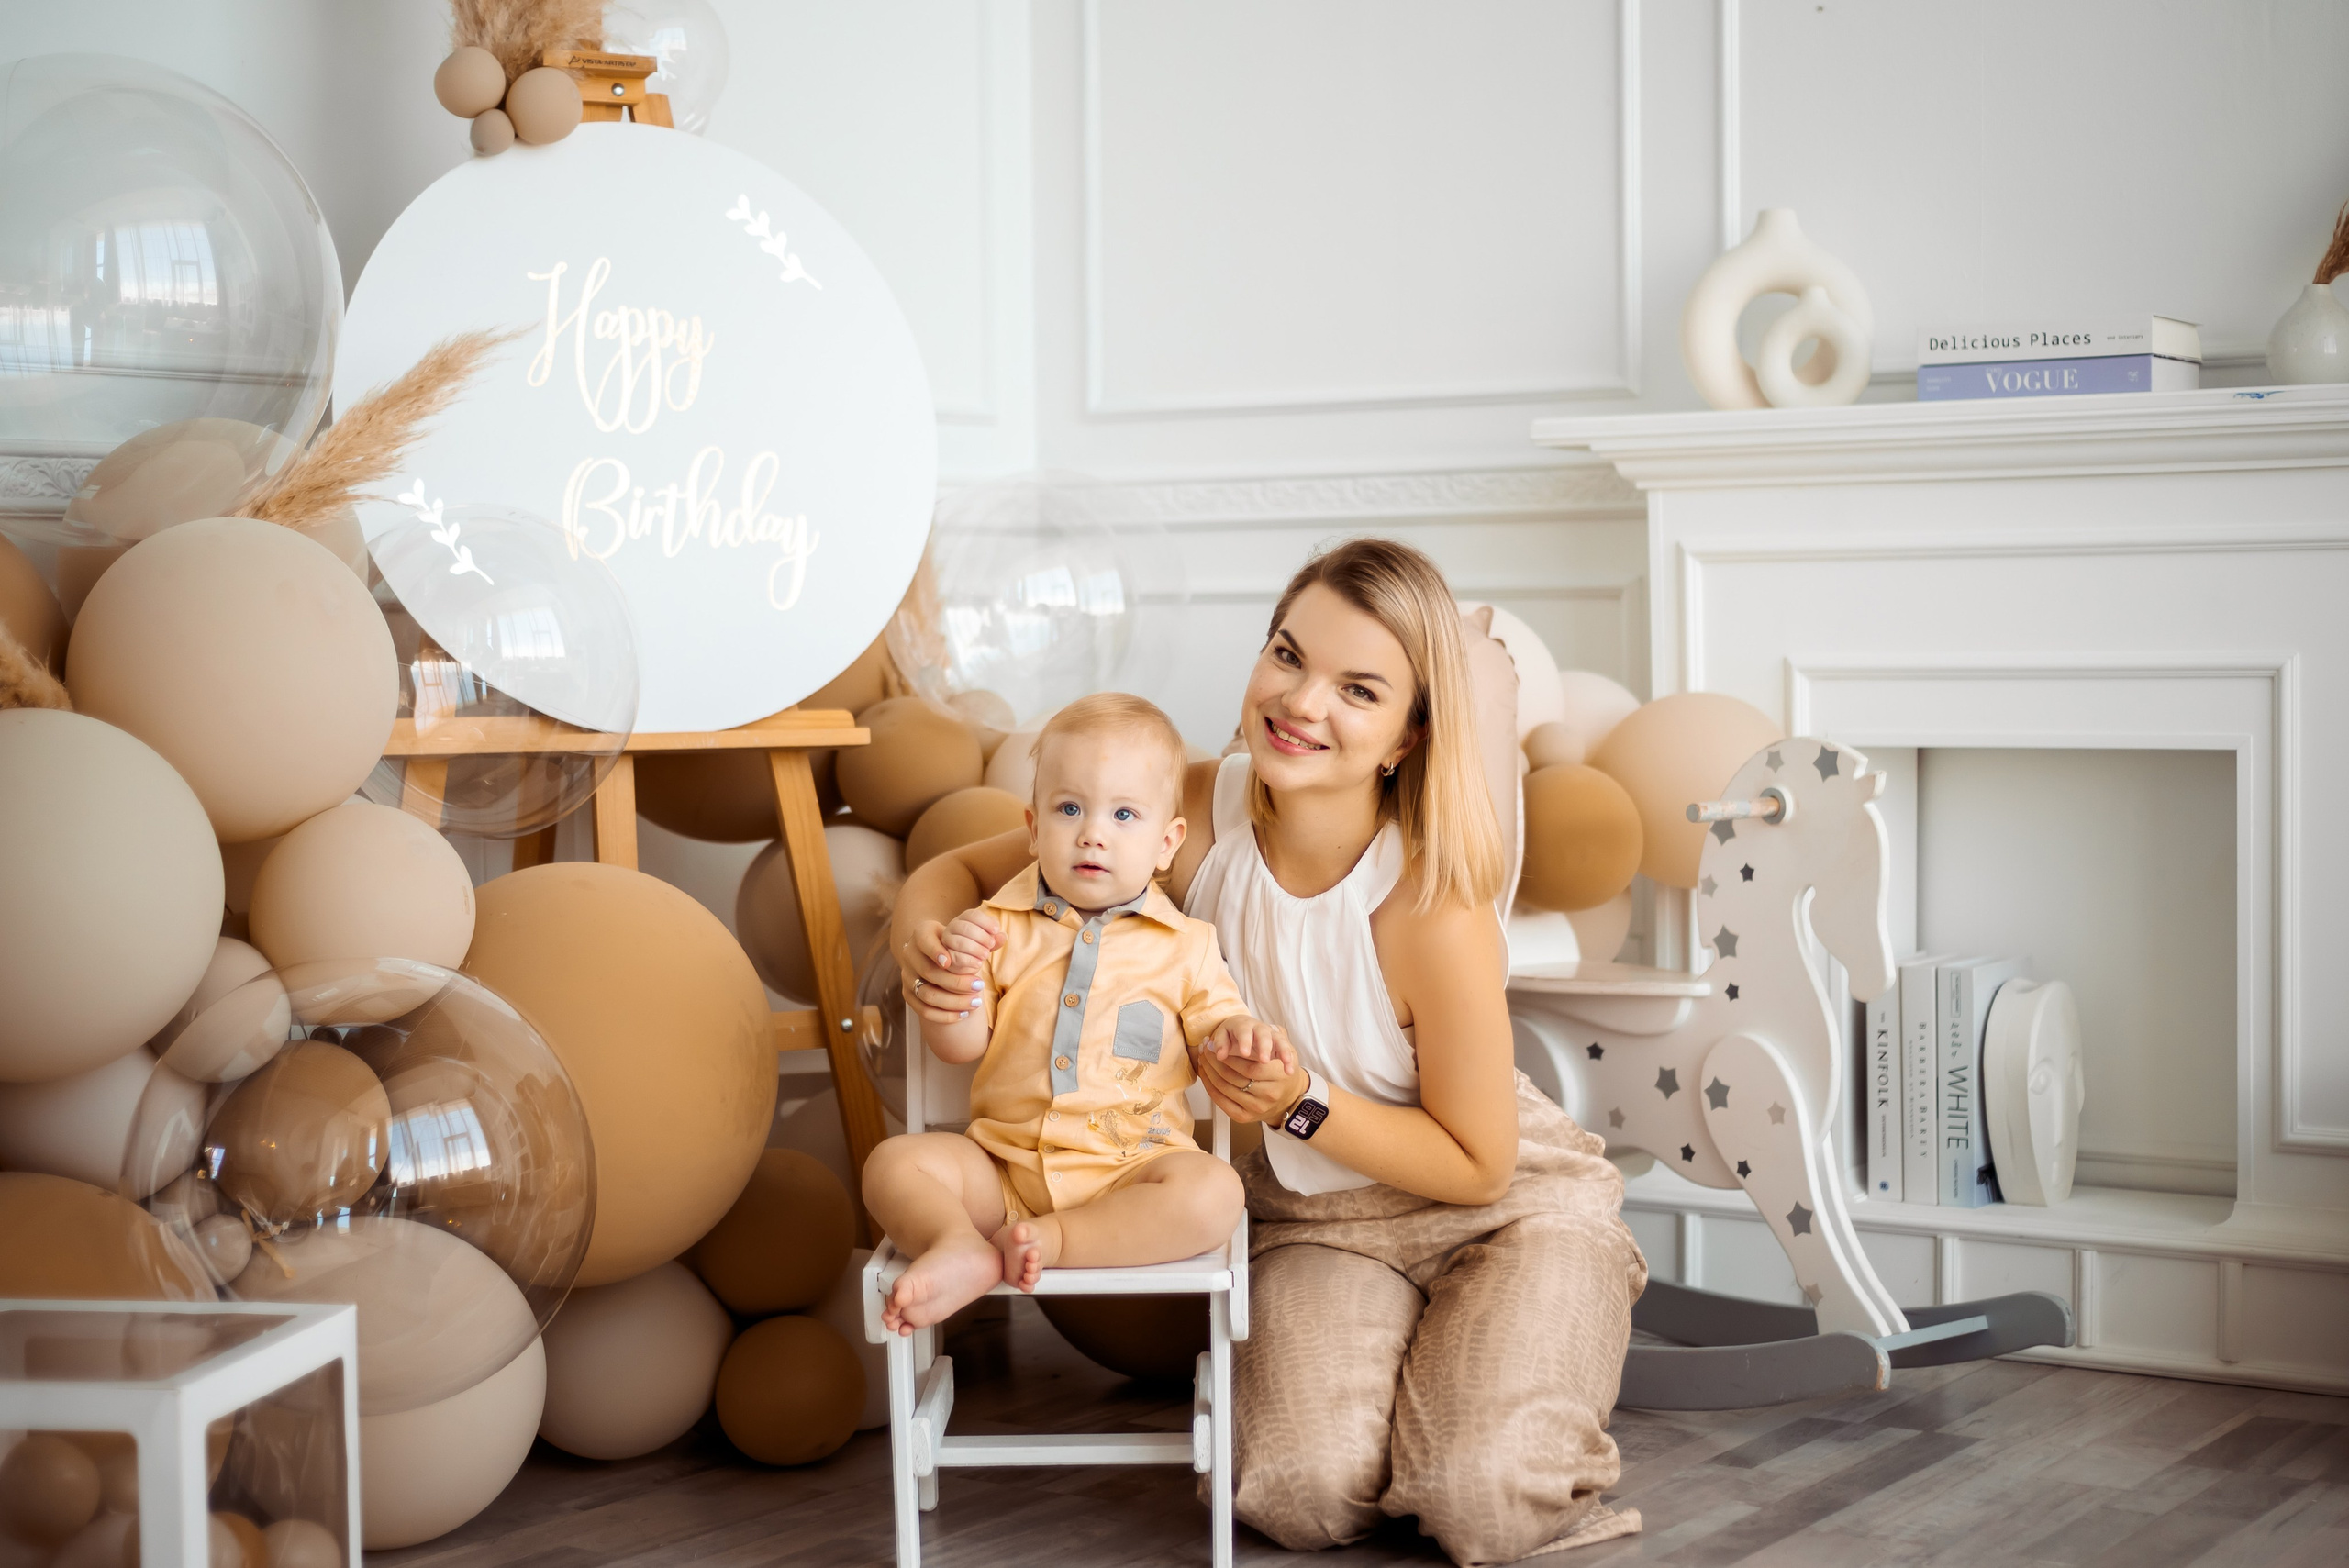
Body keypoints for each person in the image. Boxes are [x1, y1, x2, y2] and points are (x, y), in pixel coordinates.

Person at [894, 539, 1646, 1563]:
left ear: (1406, 734)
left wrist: (1297, 1099)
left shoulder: (1433, 902)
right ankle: (1441, 1402)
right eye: (1287, 655)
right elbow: (965, 867)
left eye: (1358, 688)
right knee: (1295, 1492)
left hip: (1502, 1213)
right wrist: (926, 934)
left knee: (1488, 1498)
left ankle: (1504, 1395)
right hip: (1314, 1224)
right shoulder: (1190, 817)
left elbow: (1478, 1163)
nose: (1301, 701)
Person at [864, 692, 1294, 1336]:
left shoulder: (1187, 945)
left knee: (1217, 1193)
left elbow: (1216, 1029)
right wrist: (955, 975)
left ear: (1165, 842)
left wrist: (1241, 1037)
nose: (1094, 831)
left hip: (1131, 1173)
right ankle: (960, 1242)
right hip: (1005, 1172)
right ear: (1034, 828)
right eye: (1070, 808)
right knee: (893, 1163)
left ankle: (1056, 1239)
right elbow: (958, 1045)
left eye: (1125, 814)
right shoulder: (994, 926)